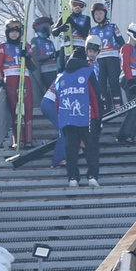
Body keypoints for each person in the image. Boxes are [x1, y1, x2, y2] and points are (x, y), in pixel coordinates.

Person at [54, 45, 102, 186]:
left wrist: (61, 119)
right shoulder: (88, 72)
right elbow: (95, 96)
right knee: (90, 147)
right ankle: (92, 176)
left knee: (71, 148)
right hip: (87, 117)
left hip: (67, 117)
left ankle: (72, 178)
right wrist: (99, 118)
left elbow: (58, 101)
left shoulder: (60, 77)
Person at [0, 19, 33, 145]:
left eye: (17, 31)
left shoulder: (26, 45)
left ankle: (28, 139)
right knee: (15, 108)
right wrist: (0, 80)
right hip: (10, 78)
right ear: (7, 33)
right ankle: (17, 139)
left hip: (25, 77)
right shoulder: (2, 47)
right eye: (11, 32)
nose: (14, 34)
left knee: (28, 108)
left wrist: (27, 56)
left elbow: (34, 67)